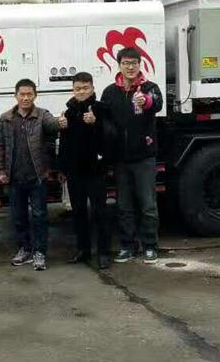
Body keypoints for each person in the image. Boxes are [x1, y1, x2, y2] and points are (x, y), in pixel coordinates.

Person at [100, 47, 164, 264]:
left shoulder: (149, 88)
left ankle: (150, 246)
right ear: (119, 65)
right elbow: (104, 121)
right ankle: (127, 246)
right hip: (120, 159)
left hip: (144, 157)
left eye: (134, 63)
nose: (130, 67)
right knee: (124, 206)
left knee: (148, 205)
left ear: (139, 65)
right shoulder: (110, 92)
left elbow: (156, 103)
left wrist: (145, 101)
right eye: (126, 63)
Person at [0, 79, 60, 271]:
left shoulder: (42, 115)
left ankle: (40, 252)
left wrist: (61, 122)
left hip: (37, 176)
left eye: (29, 94)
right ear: (15, 96)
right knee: (18, 217)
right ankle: (25, 249)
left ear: (35, 96)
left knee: (40, 216)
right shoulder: (6, 118)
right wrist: (1, 170)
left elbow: (53, 126)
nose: (25, 98)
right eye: (22, 94)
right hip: (14, 177)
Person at [57, 72, 112, 269]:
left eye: (85, 88)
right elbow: (64, 144)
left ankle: (104, 253)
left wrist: (95, 123)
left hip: (95, 171)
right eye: (78, 89)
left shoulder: (101, 109)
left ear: (93, 88)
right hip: (75, 172)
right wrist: (62, 168)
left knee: (100, 212)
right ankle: (83, 250)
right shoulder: (69, 112)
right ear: (73, 90)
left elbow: (110, 137)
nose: (81, 92)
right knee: (78, 212)